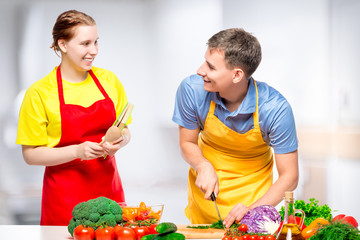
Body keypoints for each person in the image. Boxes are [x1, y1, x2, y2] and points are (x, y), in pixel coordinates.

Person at [172, 28, 299, 227]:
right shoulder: (191, 91)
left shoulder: (274, 109)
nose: (200, 70)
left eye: (211, 67)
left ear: (237, 75)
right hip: (204, 207)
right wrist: (203, 165)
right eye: (204, 61)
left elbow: (290, 177)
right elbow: (187, 142)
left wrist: (253, 211)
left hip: (253, 207)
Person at [16, 10, 131, 226]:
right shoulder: (40, 92)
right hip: (64, 198)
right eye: (85, 43)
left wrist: (120, 141)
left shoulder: (109, 80)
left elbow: (124, 128)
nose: (94, 51)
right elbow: (30, 155)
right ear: (63, 45)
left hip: (109, 194)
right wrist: (77, 151)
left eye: (96, 42)